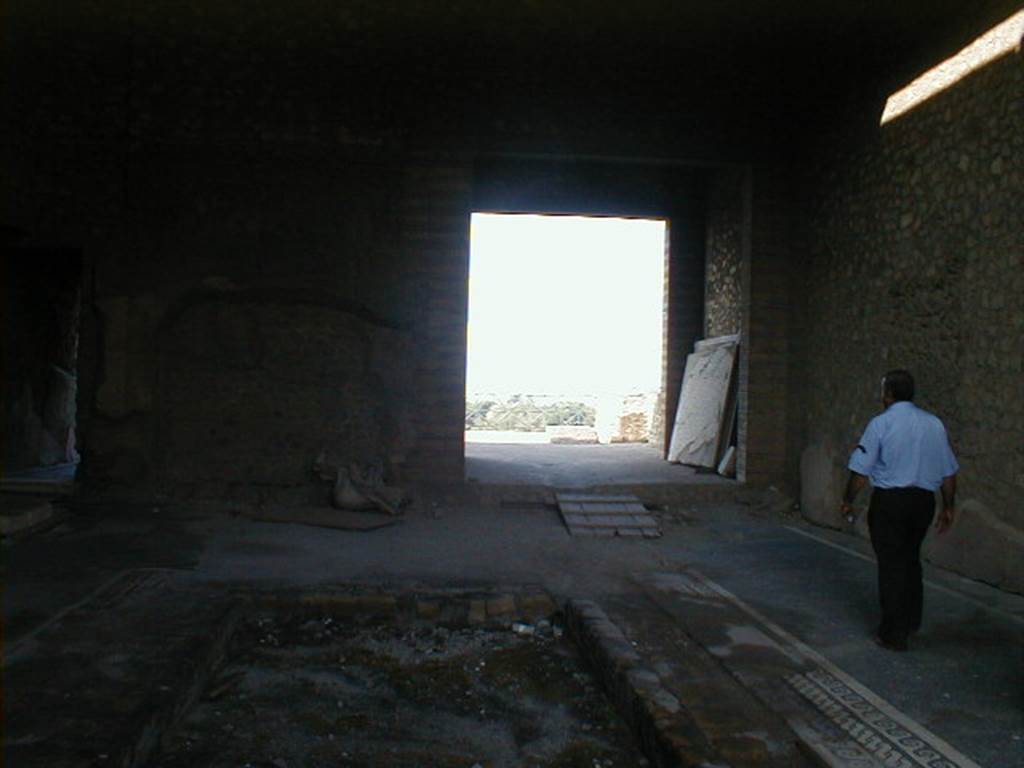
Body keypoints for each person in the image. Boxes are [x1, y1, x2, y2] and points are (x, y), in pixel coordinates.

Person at [839, 369, 958, 651]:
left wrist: (848, 499)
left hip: (890, 502)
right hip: (923, 502)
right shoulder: (934, 424)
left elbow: (860, 471)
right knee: (910, 558)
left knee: (891, 563)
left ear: (888, 393)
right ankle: (912, 619)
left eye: (883, 390)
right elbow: (949, 471)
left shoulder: (880, 424)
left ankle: (894, 633)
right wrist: (949, 506)